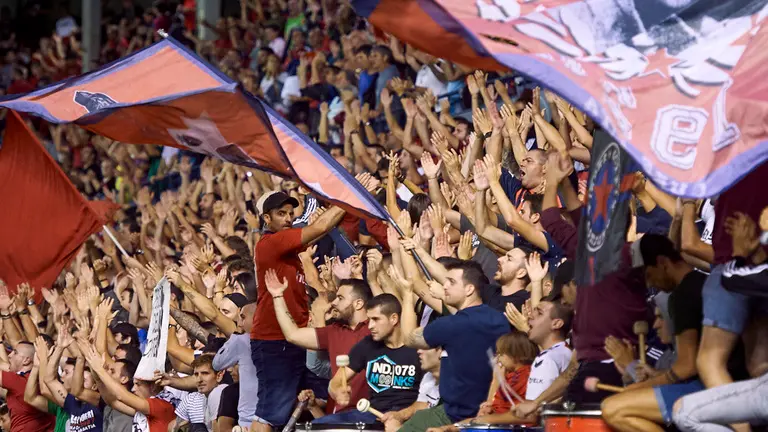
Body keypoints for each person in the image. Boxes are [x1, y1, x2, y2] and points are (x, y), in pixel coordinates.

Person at [602, 234, 749, 432]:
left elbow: (686, 366)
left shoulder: (682, 295)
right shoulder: (703, 281)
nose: (650, 285)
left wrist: (641, 386)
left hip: (710, 390)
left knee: (612, 408)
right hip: (736, 383)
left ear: (662, 262)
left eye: (648, 275)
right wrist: (657, 376)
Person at [250, 190, 346, 431]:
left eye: (291, 213)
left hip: (298, 338)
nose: (288, 218)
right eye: (281, 214)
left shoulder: (291, 253)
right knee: (270, 412)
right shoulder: (271, 243)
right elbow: (319, 227)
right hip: (274, 341)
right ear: (266, 219)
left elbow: (323, 229)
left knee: (320, 398)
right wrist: (349, 198)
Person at [400, 261, 511, 431]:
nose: (444, 286)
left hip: (454, 415)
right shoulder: (499, 319)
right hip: (491, 414)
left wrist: (407, 294)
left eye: (451, 282)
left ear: (469, 289)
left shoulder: (451, 325)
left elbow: (409, 338)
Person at [265, 273, 372, 411]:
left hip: (370, 414)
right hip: (338, 415)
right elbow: (292, 334)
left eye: (340, 298)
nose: (334, 302)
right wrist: (278, 296)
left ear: (358, 303)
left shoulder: (376, 329)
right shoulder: (333, 331)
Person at [323, 294, 424, 424]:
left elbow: (428, 401)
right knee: (318, 426)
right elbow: (335, 382)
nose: (370, 325)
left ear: (394, 318)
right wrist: (337, 391)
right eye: (369, 319)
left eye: (376, 319)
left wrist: (400, 416)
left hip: (409, 417)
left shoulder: (418, 348)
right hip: (372, 415)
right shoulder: (367, 345)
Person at [80, 341, 177, 432]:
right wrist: (97, 377)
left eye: (138, 384)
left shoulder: (162, 405)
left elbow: (120, 396)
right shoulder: (144, 409)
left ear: (153, 386)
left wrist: (100, 370)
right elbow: (112, 401)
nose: (133, 388)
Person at [213, 303, 258, 428]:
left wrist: (237, 334)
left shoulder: (242, 341)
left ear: (256, 318)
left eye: (243, 317)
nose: (240, 323)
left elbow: (217, 363)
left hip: (249, 422)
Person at [380, 347, 442, 432]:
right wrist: (400, 415)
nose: (419, 351)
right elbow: (422, 404)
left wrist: (399, 430)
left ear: (441, 351)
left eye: (425, 348)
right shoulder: (428, 376)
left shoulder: (457, 384)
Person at [0, 341, 55, 432]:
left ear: (26, 360)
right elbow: (2, 364)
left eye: (15, 352)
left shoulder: (20, 381)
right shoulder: (30, 378)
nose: (9, 355)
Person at [174, 354, 226, 432]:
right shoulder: (203, 397)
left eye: (205, 373)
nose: (199, 379)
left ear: (219, 376)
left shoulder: (220, 393)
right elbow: (176, 426)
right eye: (196, 374)